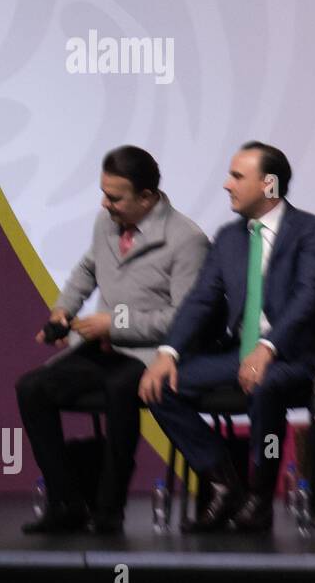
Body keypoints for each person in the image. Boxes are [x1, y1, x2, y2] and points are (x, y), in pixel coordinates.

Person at [17, 146, 209, 534]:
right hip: (104, 348)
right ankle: (67, 502)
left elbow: (184, 319)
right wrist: (63, 312)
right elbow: (88, 268)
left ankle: (108, 510)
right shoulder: (107, 222)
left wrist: (114, 323)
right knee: (32, 387)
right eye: (104, 193)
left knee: (121, 389)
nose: (105, 203)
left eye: (115, 196)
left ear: (147, 197)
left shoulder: (187, 240)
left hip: (150, 355)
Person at [141, 142, 315, 532]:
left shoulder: (311, 231)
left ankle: (260, 499)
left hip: (294, 359)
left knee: (266, 385)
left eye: (238, 176)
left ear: (269, 184)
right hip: (238, 355)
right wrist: (168, 351)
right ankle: (224, 484)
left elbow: (309, 296)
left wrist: (267, 347)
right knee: (160, 386)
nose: (227, 185)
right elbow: (202, 299)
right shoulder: (229, 238)